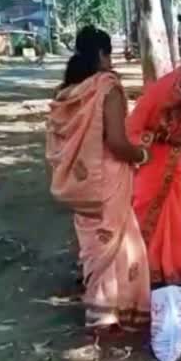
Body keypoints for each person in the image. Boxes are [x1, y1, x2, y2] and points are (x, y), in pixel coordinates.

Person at [45, 26, 151, 332]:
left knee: (96, 246)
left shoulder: (67, 91)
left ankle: (100, 311)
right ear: (104, 54)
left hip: (80, 183)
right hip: (107, 180)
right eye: (110, 54)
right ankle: (119, 313)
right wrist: (142, 155)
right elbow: (117, 142)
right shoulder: (107, 87)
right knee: (123, 245)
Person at [127, 63, 181, 285]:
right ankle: (140, 265)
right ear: (178, 89)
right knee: (143, 206)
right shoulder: (156, 97)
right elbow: (130, 130)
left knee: (176, 216)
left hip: (175, 165)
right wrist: (154, 140)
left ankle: (174, 266)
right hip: (151, 161)